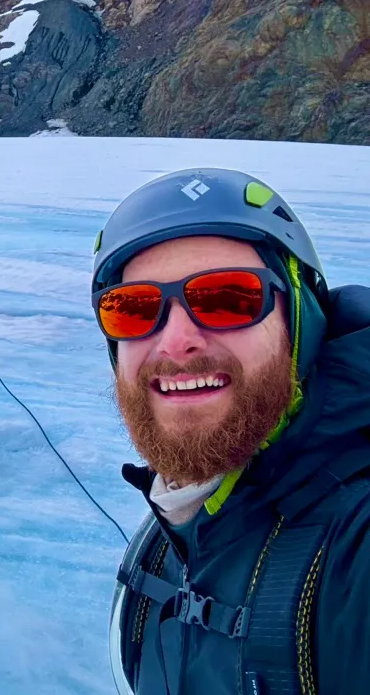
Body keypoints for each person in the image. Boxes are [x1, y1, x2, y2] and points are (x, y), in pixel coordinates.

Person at [94, 169, 370, 694]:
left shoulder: (355, 548)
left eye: (227, 298)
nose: (176, 341)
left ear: (300, 321)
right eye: (133, 309)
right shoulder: (179, 523)